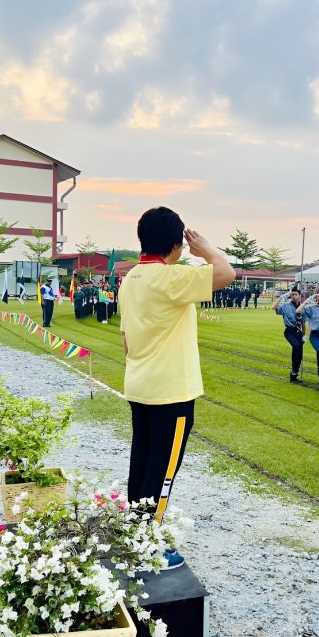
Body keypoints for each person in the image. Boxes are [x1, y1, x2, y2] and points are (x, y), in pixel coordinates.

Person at [120, 206, 235, 570]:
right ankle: (148, 549)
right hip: (171, 392)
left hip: (140, 386)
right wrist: (206, 250)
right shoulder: (169, 278)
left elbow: (126, 340)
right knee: (162, 472)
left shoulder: (131, 279)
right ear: (175, 242)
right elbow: (226, 273)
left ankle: (135, 534)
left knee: (141, 463)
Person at [273, 287, 305, 382]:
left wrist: (304, 335)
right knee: (296, 347)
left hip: (299, 331)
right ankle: (294, 372)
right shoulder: (286, 305)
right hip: (289, 331)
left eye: (296, 294)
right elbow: (274, 308)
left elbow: (303, 322)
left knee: (299, 353)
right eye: (292, 294)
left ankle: (294, 373)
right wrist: (281, 297)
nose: (294, 296)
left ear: (299, 295)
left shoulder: (302, 306)